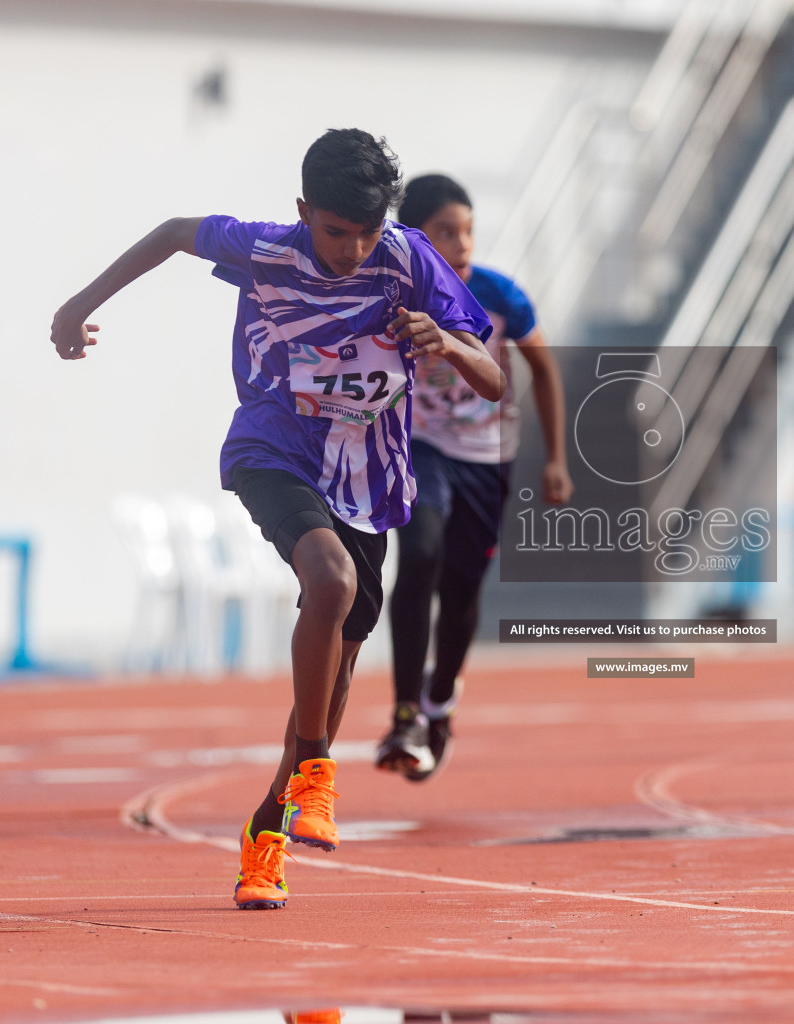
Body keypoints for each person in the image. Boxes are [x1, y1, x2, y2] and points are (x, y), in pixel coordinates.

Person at [49, 129, 503, 909]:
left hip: (368, 476)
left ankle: (268, 830)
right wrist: (76, 307)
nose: (353, 251)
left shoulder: (408, 258)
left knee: (331, 678)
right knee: (325, 581)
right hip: (274, 448)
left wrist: (450, 346)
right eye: (335, 232)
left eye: (366, 233)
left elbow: (494, 380)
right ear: (303, 212)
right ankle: (320, 772)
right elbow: (169, 234)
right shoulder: (267, 248)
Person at [375, 174, 573, 780]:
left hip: (488, 458)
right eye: (445, 232)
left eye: (468, 231)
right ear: (415, 237)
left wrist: (556, 459)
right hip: (422, 448)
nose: (461, 244)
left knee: (461, 589)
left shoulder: (498, 295)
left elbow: (544, 371)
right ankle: (405, 712)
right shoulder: (393, 290)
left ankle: (440, 708)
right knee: (420, 555)